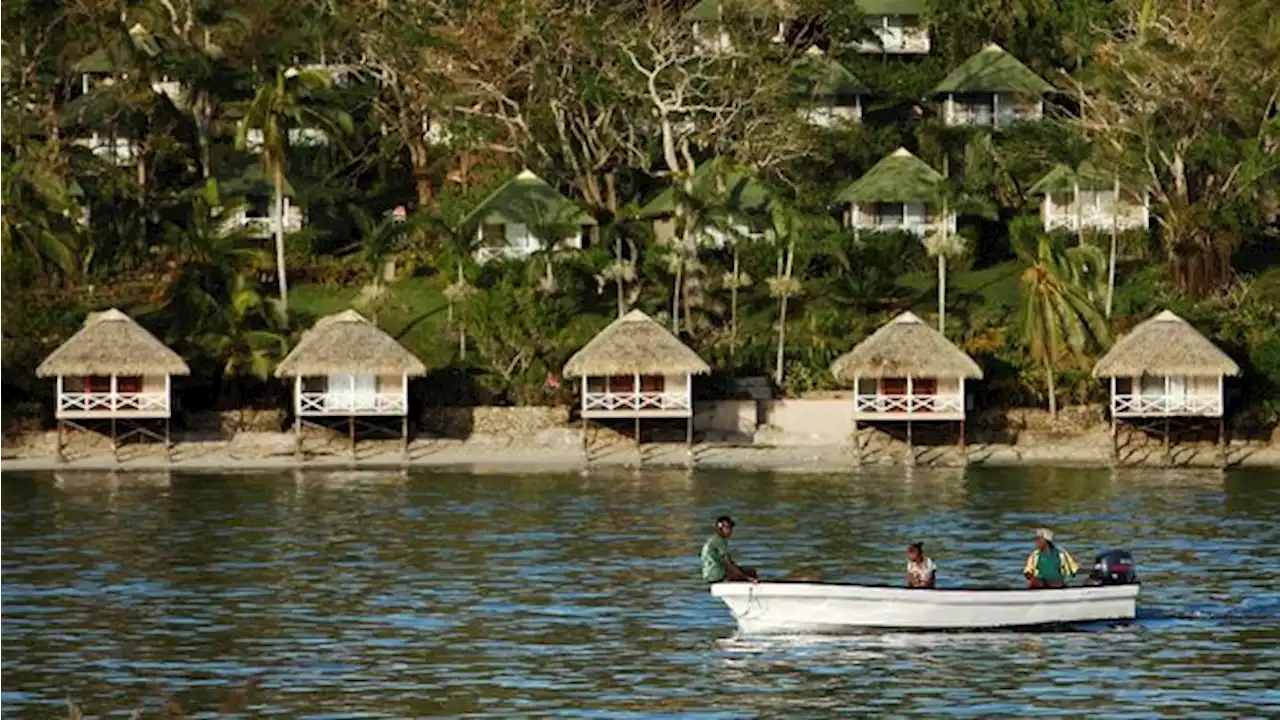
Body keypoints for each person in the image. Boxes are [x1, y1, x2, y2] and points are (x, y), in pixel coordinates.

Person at [700, 516, 757, 583]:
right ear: (720, 528)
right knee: (750, 571)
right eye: (727, 528)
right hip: (716, 574)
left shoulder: (713, 539)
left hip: (708, 574)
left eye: (731, 528)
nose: (730, 530)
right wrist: (747, 577)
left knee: (742, 571)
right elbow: (729, 563)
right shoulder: (720, 541)